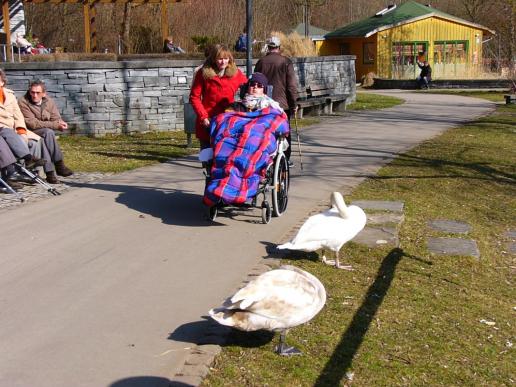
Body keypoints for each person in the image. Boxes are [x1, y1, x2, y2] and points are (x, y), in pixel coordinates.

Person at [189, 44, 247, 149]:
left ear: (230, 59)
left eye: (226, 58)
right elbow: (194, 97)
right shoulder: (203, 74)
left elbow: (248, 88)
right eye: (220, 59)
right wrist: (203, 117)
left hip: (227, 122)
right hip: (208, 122)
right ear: (214, 59)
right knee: (208, 159)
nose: (223, 62)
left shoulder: (236, 74)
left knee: (224, 158)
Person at [255, 36, 298, 163]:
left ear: (268, 47)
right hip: (282, 104)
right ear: (279, 48)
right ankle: (285, 158)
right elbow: (291, 85)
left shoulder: (261, 62)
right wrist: (293, 103)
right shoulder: (286, 62)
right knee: (284, 130)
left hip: (264, 103)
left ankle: (266, 157)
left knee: (265, 130)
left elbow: (255, 80)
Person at [18, 79, 74, 178]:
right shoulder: (23, 101)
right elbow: (32, 124)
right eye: (32, 92)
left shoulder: (49, 101)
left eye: (37, 93)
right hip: (28, 131)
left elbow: (56, 118)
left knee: (45, 138)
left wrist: (60, 123)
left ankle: (50, 173)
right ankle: (59, 165)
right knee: (48, 132)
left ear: (44, 94)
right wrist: (55, 125)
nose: (34, 95)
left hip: (42, 131)